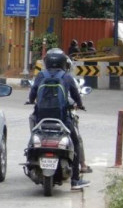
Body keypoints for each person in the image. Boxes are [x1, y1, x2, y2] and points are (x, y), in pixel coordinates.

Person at [28, 48, 90, 190]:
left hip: (41, 118)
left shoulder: (41, 75)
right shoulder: (66, 77)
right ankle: (75, 180)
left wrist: (31, 100)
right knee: (74, 143)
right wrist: (80, 105)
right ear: (63, 62)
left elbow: (32, 94)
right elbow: (75, 95)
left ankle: (30, 161)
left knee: (33, 137)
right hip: (62, 119)